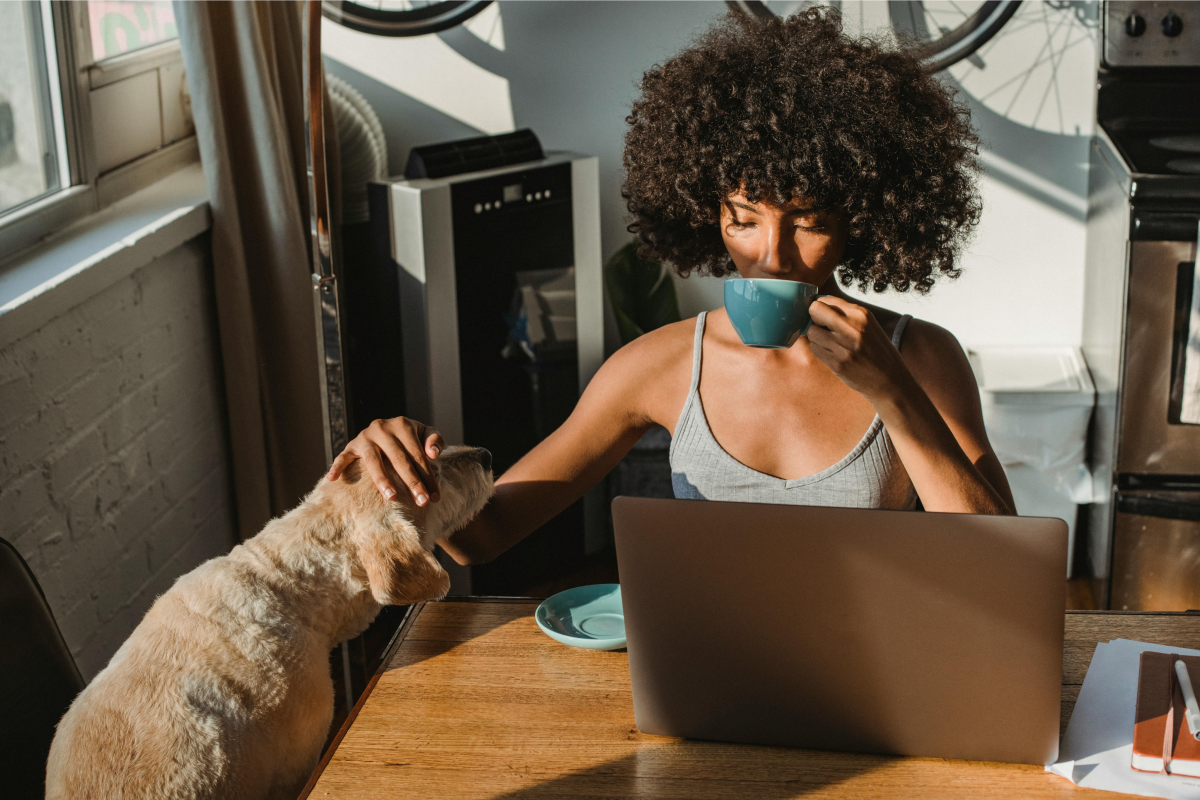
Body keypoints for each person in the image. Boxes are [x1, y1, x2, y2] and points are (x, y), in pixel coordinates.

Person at [327, 8, 1015, 566]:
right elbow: (484, 535)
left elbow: (1003, 562)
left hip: (879, 668)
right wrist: (407, 466)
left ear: (861, 222)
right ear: (707, 210)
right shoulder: (656, 368)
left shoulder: (918, 357)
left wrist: (893, 391)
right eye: (742, 219)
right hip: (708, 669)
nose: (770, 256)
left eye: (808, 222)